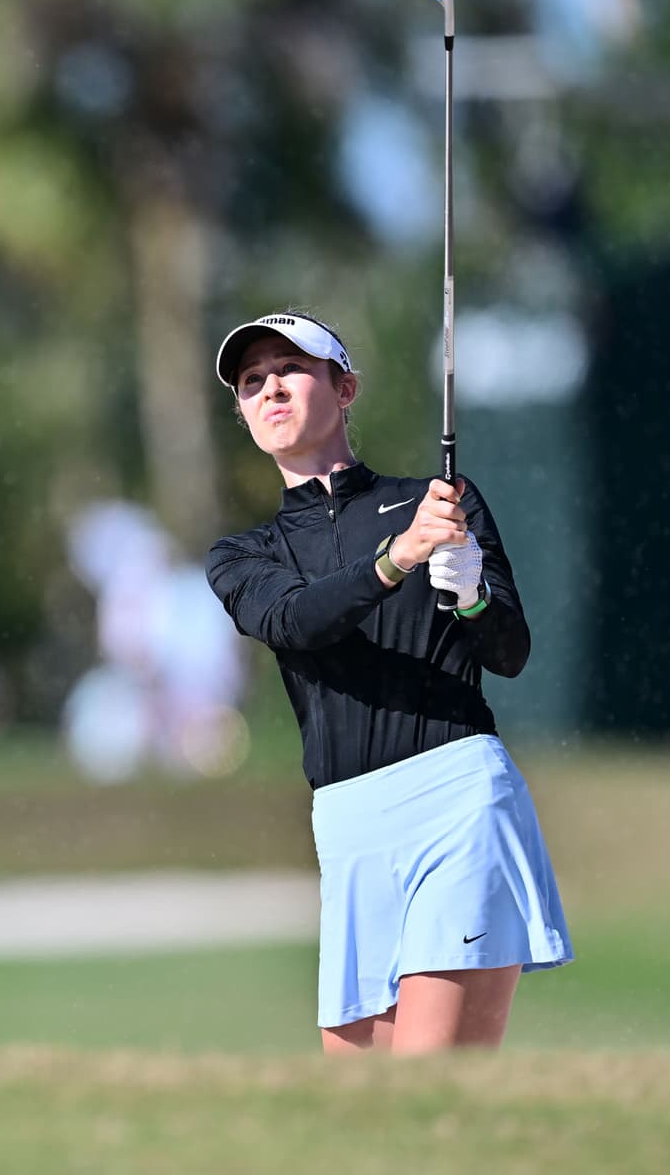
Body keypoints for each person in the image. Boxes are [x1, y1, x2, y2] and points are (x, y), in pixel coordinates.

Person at [204, 310, 572, 1055]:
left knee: (426, 1087)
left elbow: (510, 651)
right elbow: (296, 621)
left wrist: (470, 591)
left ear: (345, 388)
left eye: (291, 369)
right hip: (346, 828)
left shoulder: (441, 504)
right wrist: (396, 560)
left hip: (457, 803)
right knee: (364, 1126)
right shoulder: (244, 555)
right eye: (251, 381)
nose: (269, 387)